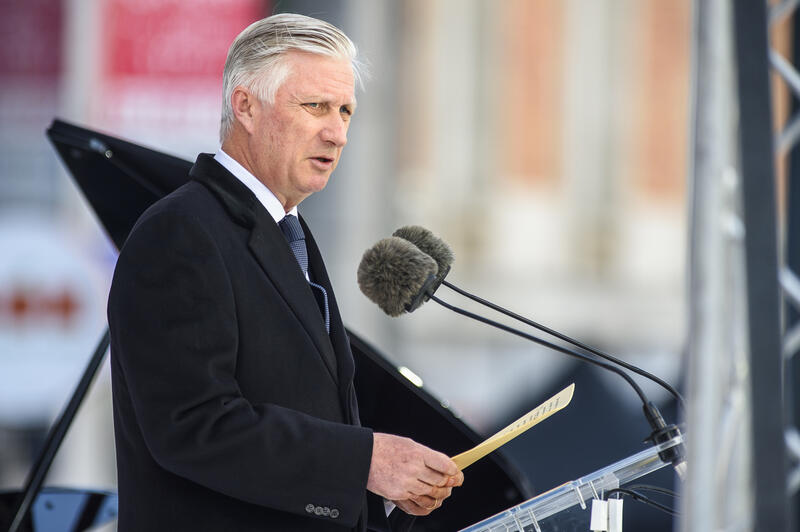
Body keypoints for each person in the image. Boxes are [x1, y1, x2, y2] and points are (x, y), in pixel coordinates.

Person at [106, 12, 464, 532]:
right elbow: (193, 426)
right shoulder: (181, 232)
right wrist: (363, 461)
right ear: (245, 106)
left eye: (345, 111)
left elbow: (305, 410)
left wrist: (376, 488)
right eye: (315, 106)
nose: (337, 133)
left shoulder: (284, 230)